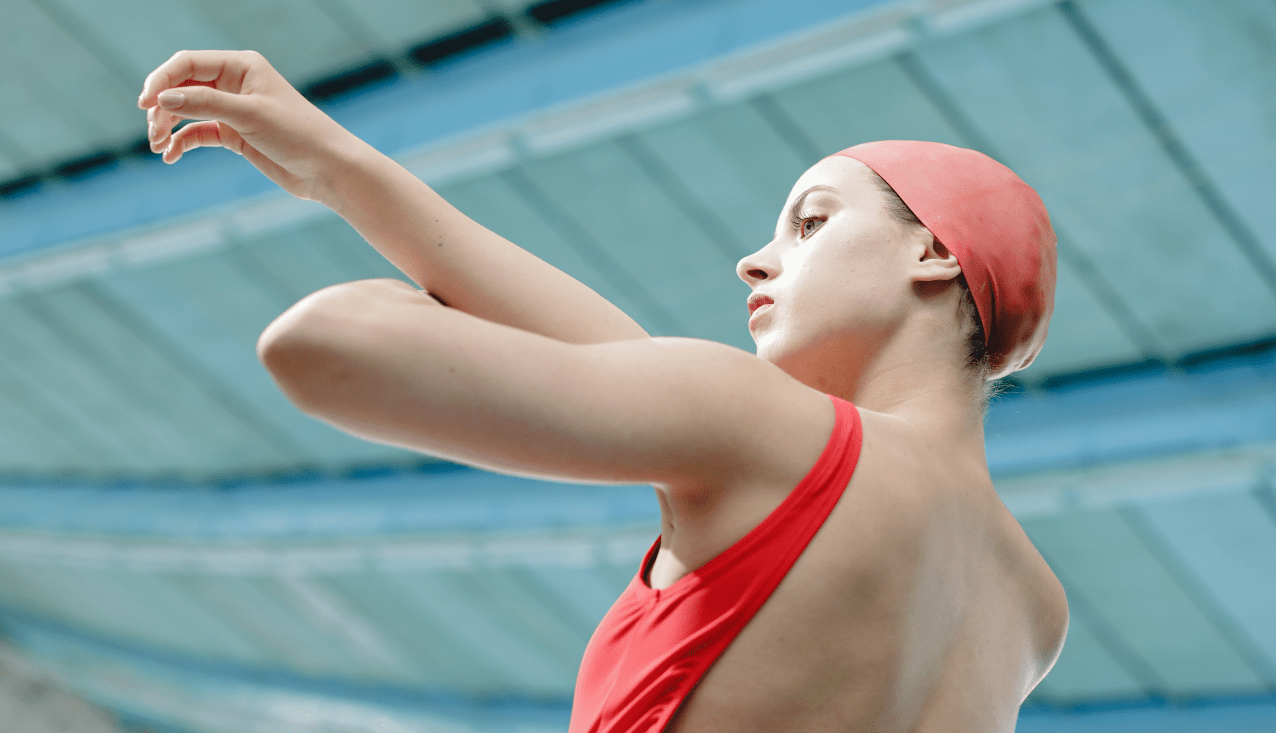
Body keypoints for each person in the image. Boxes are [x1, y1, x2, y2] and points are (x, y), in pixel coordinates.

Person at [140, 50, 1068, 733]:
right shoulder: (1030, 611)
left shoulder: (759, 429)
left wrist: (388, 279)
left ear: (935, 252)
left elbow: (318, 343)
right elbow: (639, 367)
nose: (755, 261)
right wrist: (343, 170)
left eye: (810, 223)